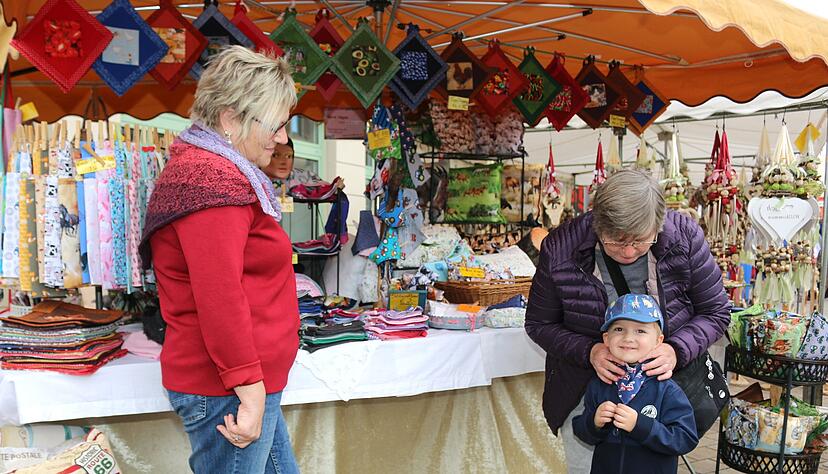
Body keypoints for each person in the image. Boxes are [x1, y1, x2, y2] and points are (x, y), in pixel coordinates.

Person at [139, 45, 300, 474]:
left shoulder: (214, 173)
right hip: (227, 388)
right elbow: (220, 297)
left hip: (238, 384)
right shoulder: (211, 182)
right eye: (275, 125)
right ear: (230, 120)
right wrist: (248, 387)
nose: (282, 138)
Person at [524, 168, 730, 473]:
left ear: (658, 226)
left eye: (641, 241)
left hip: (662, 389)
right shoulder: (562, 248)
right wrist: (590, 352)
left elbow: (716, 311)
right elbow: (539, 324)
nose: (629, 251)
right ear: (597, 224)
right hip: (587, 387)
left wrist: (676, 350)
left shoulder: (683, 237)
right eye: (617, 241)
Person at [572, 294, 698, 474]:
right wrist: (594, 423)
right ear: (606, 338)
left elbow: (685, 439)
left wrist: (641, 425)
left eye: (640, 331)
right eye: (619, 329)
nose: (628, 338)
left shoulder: (666, 389)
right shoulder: (600, 383)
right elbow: (581, 431)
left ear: (658, 341)